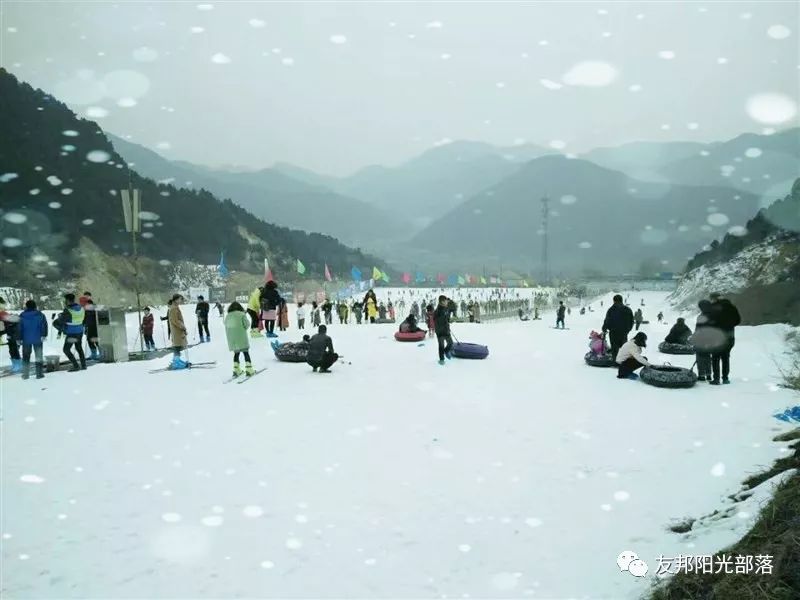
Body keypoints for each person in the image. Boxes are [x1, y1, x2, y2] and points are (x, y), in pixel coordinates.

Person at [708, 292, 741, 385]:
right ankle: (725, 378)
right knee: (725, 357)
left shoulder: (713, 308)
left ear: (714, 299)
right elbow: (738, 320)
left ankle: (716, 379)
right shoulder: (731, 307)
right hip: (729, 336)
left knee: (715, 358)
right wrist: (729, 325)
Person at [18, 299, 48, 380]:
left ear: (26, 306)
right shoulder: (40, 314)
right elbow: (44, 326)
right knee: (38, 356)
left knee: (26, 357)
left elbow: (19, 328)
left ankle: (25, 374)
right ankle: (39, 374)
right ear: (35, 306)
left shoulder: (22, 315)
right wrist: (44, 335)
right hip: (38, 339)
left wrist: (19, 338)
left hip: (26, 339)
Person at [691, 300, 719, 382]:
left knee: (700, 357)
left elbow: (698, 329)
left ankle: (702, 375)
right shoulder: (714, 315)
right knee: (707, 357)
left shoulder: (701, 316)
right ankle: (709, 374)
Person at [225, 301, 255, 377]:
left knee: (236, 353)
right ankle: (249, 369)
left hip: (232, 339)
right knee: (246, 353)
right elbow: (247, 325)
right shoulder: (241, 314)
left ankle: (236, 369)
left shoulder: (228, 316)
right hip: (241, 337)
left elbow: (226, 325)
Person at [602, 294, 634, 361]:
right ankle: (623, 362)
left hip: (614, 332)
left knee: (614, 348)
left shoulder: (611, 310)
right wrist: (628, 330)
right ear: (621, 300)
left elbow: (607, 320)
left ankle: (616, 361)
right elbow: (632, 321)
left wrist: (604, 329)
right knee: (623, 347)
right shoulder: (627, 309)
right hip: (624, 332)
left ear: (614, 301)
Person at [60, 293, 87, 372]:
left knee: (66, 350)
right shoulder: (81, 308)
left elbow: (62, 320)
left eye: (65, 300)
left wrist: (60, 316)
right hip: (79, 331)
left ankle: (76, 366)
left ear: (68, 300)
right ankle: (84, 365)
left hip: (71, 332)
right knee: (79, 347)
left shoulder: (68, 310)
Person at [0, 297, 22, 373]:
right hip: (10, 334)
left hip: (13, 333)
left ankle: (18, 365)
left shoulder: (3, 313)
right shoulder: (3, 313)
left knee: (13, 349)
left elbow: (15, 320)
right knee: (12, 349)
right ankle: (16, 365)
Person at [168, 294, 189, 368]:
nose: (181, 301)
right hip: (177, 330)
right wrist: (182, 327)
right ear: (176, 299)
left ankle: (177, 360)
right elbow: (175, 320)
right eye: (180, 299)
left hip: (178, 329)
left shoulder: (175, 307)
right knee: (177, 346)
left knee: (178, 345)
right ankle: (176, 362)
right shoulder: (173, 308)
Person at [434, 295, 454, 365]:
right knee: (441, 345)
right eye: (445, 301)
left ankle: (446, 351)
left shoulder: (445, 308)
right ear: (442, 302)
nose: (447, 302)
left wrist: (448, 322)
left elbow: (446, 319)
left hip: (445, 330)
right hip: (440, 331)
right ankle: (441, 359)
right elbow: (439, 322)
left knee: (451, 343)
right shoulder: (438, 311)